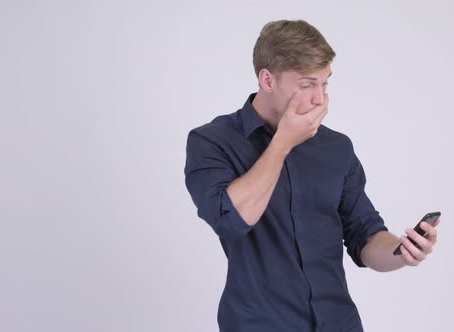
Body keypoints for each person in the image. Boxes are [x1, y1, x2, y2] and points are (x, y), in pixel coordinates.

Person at [184, 19, 440, 332]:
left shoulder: (337, 148)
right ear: (268, 80)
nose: (320, 98)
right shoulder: (211, 141)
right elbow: (230, 219)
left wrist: (402, 252)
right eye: (307, 85)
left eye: (325, 83)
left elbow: (365, 235)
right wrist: (282, 144)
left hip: (339, 323)